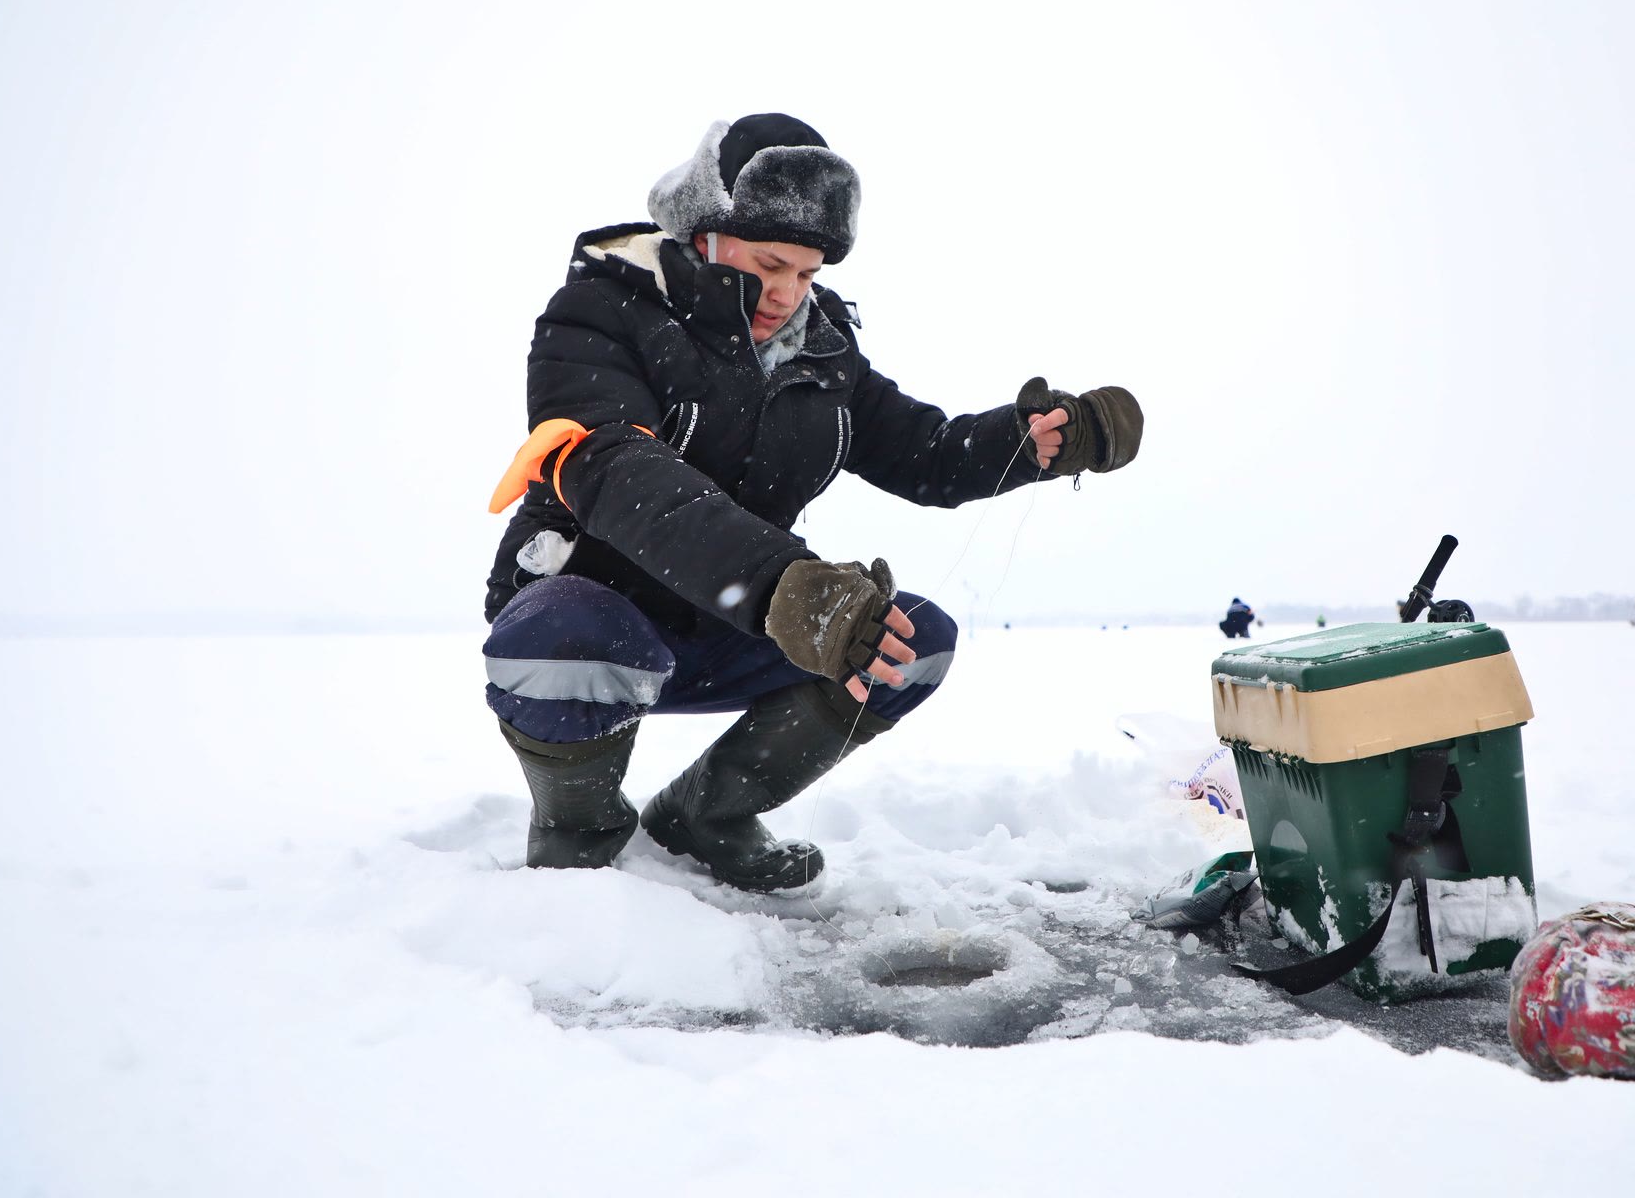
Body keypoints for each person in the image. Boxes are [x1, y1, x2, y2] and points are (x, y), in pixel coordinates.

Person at [481, 114, 1144, 891]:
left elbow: (925, 452)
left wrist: (1034, 442)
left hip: (728, 621)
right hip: (600, 618)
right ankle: (577, 837)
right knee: (563, 636)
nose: (786, 292)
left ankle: (706, 816)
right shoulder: (600, 313)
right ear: (705, 230)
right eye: (769, 264)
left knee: (907, 644)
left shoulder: (822, 351)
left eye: (808, 273)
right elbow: (616, 470)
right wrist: (784, 585)